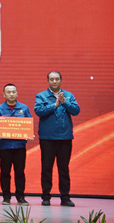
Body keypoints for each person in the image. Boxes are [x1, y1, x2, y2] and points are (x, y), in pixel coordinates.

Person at [34, 71, 80, 207]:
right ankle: (46, 197)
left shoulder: (68, 95)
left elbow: (76, 111)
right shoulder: (41, 96)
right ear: (48, 81)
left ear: (61, 80)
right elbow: (38, 111)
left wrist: (64, 103)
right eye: (52, 79)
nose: (54, 81)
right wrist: (54, 105)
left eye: (57, 79)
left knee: (63, 169)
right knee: (46, 168)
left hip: (65, 138)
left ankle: (65, 197)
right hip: (47, 138)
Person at [0, 83, 32, 206]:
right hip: (5, 146)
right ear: (4, 94)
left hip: (20, 146)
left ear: (17, 93)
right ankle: (6, 197)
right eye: (8, 92)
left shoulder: (24, 108)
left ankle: (21, 197)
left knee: (20, 172)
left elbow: (28, 124)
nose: (11, 94)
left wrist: (29, 133)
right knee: (5, 172)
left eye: (13, 92)